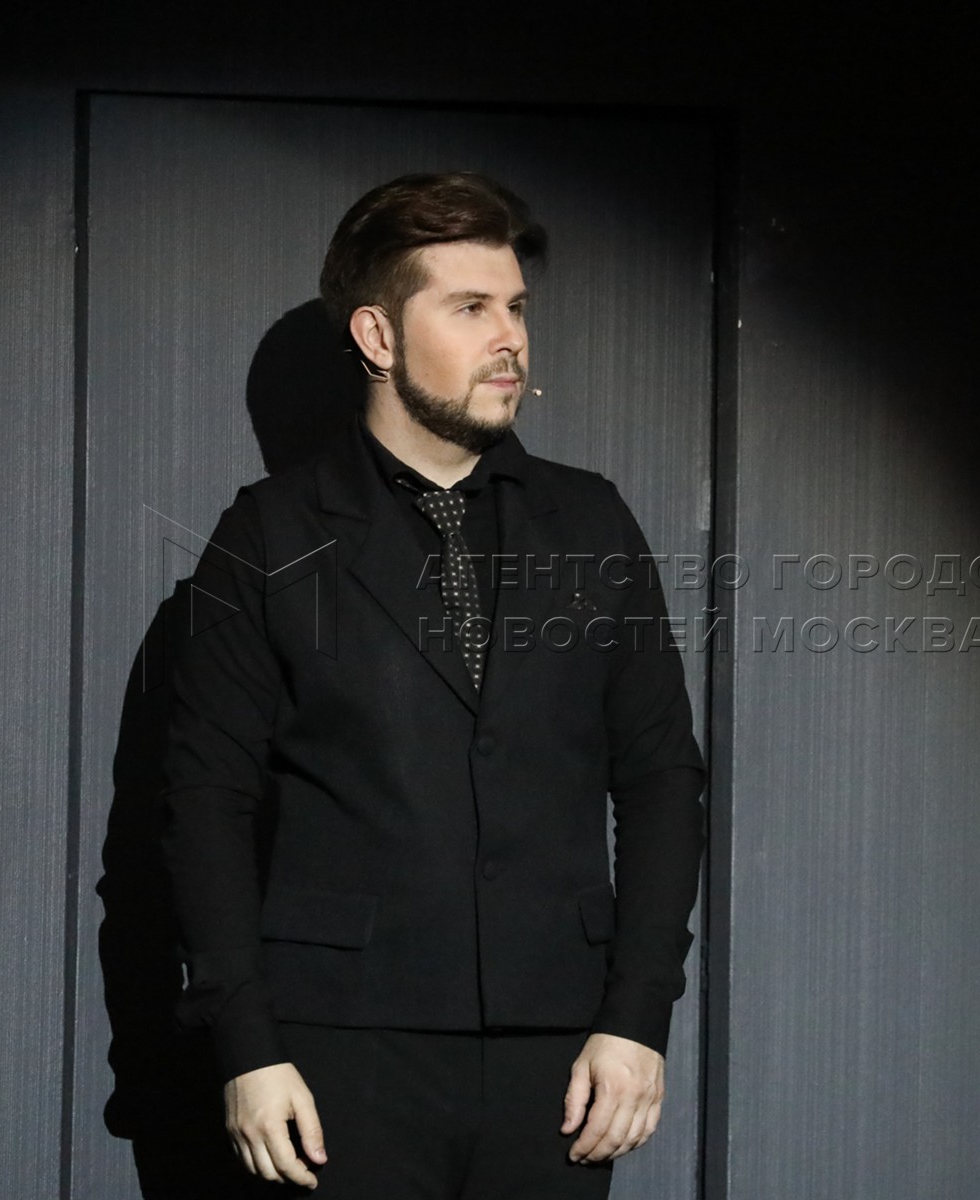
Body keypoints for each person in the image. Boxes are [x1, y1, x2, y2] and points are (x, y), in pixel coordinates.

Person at [159, 171, 707, 1198]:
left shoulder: (592, 522)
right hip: (335, 1055)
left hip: (559, 1061)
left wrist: (637, 1019)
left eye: (517, 308)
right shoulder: (270, 534)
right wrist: (245, 1044)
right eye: (470, 308)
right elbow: (205, 801)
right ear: (377, 336)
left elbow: (662, 780)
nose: (511, 339)